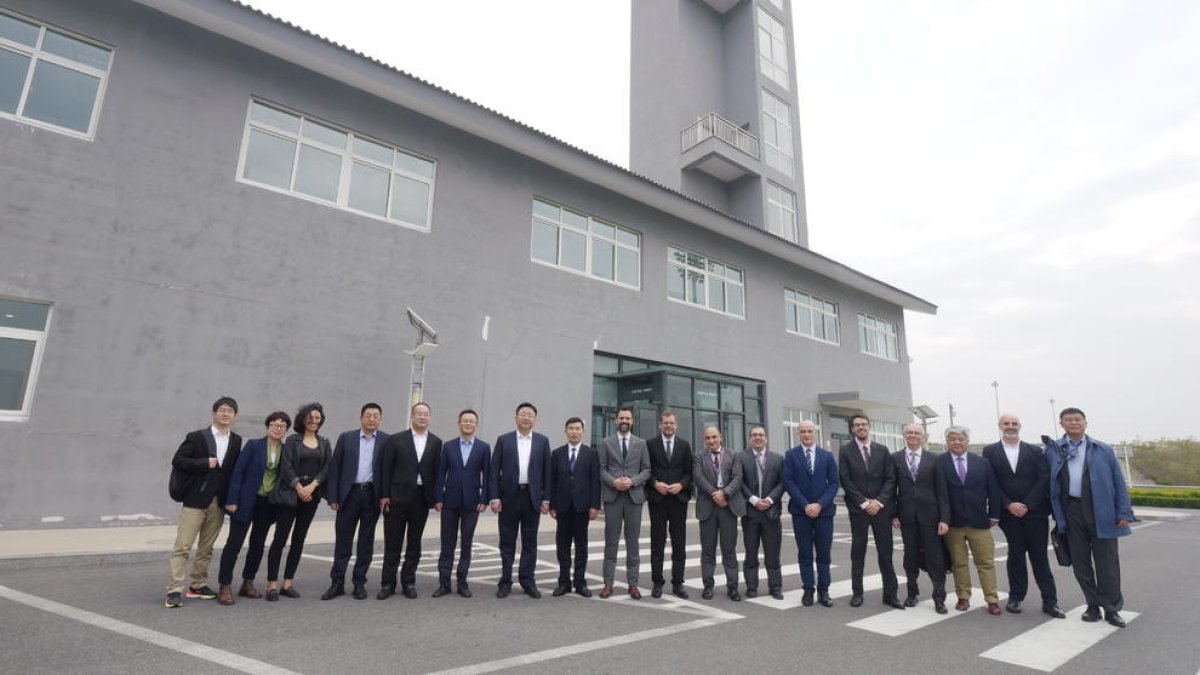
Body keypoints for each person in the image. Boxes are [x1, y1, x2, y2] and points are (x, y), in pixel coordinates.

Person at [1047, 407, 1133, 628]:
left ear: (1086, 423)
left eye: (1078, 419)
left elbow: (1118, 482)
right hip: (1071, 510)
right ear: (1062, 424)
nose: (1074, 423)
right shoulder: (1054, 449)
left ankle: (1112, 609)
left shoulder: (1103, 449)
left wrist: (1124, 511)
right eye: (1069, 420)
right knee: (1080, 563)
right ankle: (1092, 605)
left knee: (1108, 564)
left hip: (1101, 510)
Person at [982, 414, 1065, 618]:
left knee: (1040, 558)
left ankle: (1050, 601)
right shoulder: (990, 451)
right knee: (1016, 556)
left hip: (1035, 512)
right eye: (1006, 424)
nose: (1010, 427)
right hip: (1009, 514)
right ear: (1000, 426)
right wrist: (1009, 504)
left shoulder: (1035, 450)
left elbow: (1043, 478)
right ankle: (1016, 597)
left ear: (1020, 426)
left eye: (1014, 423)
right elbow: (991, 482)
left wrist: (1027, 504)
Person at [165, 396, 244, 608]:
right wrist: (203, 463)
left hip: (219, 502)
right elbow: (178, 460)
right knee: (183, 546)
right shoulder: (197, 437)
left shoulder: (236, 440)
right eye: (222, 410)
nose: (225, 414)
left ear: (234, 416)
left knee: (206, 547)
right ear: (214, 413)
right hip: (195, 500)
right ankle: (174, 590)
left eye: (230, 411)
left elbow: (234, 472)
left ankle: (197, 585)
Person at [216, 411, 290, 605]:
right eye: (274, 424)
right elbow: (238, 472)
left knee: (258, 544)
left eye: (282, 426)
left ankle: (247, 582)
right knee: (234, 543)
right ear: (268, 426)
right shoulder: (254, 446)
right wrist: (232, 500)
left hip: (268, 504)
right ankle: (224, 586)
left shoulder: (286, 451)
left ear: (286, 430)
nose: (278, 428)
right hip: (245, 501)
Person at [321, 403, 390, 601]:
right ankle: (337, 583)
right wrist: (333, 497)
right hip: (349, 495)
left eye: (376, 416)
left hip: (372, 496)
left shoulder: (386, 441)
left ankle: (359, 582)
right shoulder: (347, 438)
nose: (371, 419)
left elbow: (388, 471)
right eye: (368, 415)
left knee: (366, 542)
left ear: (380, 420)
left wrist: (385, 496)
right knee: (343, 541)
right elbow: (335, 469)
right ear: (361, 418)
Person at [376, 401, 443, 599]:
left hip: (421, 499)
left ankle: (408, 582)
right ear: (412, 417)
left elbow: (437, 472)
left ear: (429, 418)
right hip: (396, 498)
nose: (422, 417)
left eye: (426, 414)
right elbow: (386, 468)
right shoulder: (396, 439)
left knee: (414, 543)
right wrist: (384, 495)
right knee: (392, 543)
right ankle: (388, 584)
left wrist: (436, 498)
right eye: (419, 414)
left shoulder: (436, 442)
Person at [937, 425, 1003, 615]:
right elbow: (940, 493)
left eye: (960, 439)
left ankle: (992, 599)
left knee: (986, 562)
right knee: (959, 563)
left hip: (980, 522)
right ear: (947, 442)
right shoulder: (940, 462)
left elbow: (993, 491)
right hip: (953, 523)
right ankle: (963, 597)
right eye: (952, 439)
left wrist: (994, 515)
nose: (957, 442)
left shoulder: (983, 463)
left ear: (967, 441)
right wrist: (943, 519)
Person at [838, 414, 902, 609]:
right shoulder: (845, 450)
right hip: (859, 510)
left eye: (864, 424)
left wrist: (879, 502)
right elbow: (845, 479)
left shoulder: (883, 451)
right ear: (852, 429)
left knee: (886, 553)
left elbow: (891, 479)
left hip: (882, 510)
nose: (861, 428)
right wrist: (864, 503)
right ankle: (857, 593)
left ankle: (890, 595)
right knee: (858, 552)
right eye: (857, 425)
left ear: (869, 427)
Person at [489, 402, 552, 598]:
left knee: (530, 542)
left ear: (535, 419)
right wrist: (494, 497)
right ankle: (505, 581)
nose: (526, 417)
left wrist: (546, 499)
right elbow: (493, 471)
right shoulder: (504, 440)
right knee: (507, 542)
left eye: (530, 415)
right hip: (509, 498)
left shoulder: (542, 441)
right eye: (523, 414)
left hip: (532, 498)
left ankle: (527, 581)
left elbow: (547, 472)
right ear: (516, 418)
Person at [890, 424, 950, 614]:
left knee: (935, 559)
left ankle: (939, 598)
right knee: (910, 558)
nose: (913, 436)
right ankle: (912, 593)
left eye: (917, 433)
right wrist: (893, 514)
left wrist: (944, 518)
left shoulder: (935, 459)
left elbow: (942, 491)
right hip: (906, 517)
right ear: (904, 436)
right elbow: (891, 489)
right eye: (909, 433)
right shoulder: (895, 458)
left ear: (923, 437)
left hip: (931, 517)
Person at [432, 409, 490, 598]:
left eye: (471, 421)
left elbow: (487, 476)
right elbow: (441, 474)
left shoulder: (483, 447)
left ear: (476, 425)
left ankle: (462, 583)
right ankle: (444, 583)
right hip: (450, 501)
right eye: (464, 421)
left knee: (466, 543)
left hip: (472, 503)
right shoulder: (448, 446)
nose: (467, 424)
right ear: (459, 424)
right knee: (447, 543)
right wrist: (439, 498)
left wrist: (484, 500)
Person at [782, 420, 837, 607]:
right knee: (805, 553)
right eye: (803, 431)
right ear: (799, 434)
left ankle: (824, 591)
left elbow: (834, 483)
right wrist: (806, 504)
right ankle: (808, 590)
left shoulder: (827, 456)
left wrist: (820, 504)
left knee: (823, 554)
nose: (806, 434)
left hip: (824, 513)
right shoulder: (790, 455)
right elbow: (788, 482)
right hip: (800, 512)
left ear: (815, 433)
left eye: (809, 431)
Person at [597, 407, 651, 599]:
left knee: (633, 543)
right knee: (611, 542)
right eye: (621, 417)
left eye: (627, 418)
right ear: (616, 420)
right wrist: (613, 481)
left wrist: (632, 481)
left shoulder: (641, 443)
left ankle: (633, 584)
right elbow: (601, 469)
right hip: (613, 498)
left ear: (632, 421)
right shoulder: (605, 443)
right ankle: (608, 584)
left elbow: (647, 470)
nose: (624, 420)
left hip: (633, 498)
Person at [548, 417, 601, 597]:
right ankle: (564, 582)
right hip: (562, 507)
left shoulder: (591, 453)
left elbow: (596, 481)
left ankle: (580, 582)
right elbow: (551, 481)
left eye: (578, 429)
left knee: (581, 545)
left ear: (583, 432)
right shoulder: (557, 454)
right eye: (571, 428)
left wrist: (595, 505)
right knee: (562, 546)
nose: (574, 432)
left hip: (582, 507)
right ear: (565, 431)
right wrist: (552, 504)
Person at [645, 410, 693, 599]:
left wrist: (681, 485)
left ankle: (678, 583)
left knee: (679, 543)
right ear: (660, 425)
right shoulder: (650, 444)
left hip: (678, 500)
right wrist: (655, 483)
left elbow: (689, 472)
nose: (668, 426)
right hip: (658, 500)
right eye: (665, 423)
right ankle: (657, 582)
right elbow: (646, 469)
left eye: (671, 423)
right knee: (657, 543)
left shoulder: (684, 445)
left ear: (676, 425)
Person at [693, 425, 745, 601]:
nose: (711, 441)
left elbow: (738, 478)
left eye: (714, 437)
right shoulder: (699, 457)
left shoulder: (733, 455)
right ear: (704, 440)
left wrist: (725, 493)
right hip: (707, 508)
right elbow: (698, 478)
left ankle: (733, 587)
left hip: (728, 507)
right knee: (707, 551)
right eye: (708, 438)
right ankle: (708, 586)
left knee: (729, 550)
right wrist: (715, 494)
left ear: (720, 437)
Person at [739, 426, 784, 600]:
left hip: (771, 512)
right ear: (750, 438)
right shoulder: (741, 457)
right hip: (750, 513)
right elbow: (739, 482)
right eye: (754, 435)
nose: (758, 438)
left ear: (766, 438)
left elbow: (783, 482)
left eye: (761, 435)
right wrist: (754, 500)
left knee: (773, 553)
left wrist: (770, 500)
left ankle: (775, 587)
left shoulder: (778, 459)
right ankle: (751, 587)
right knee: (751, 553)